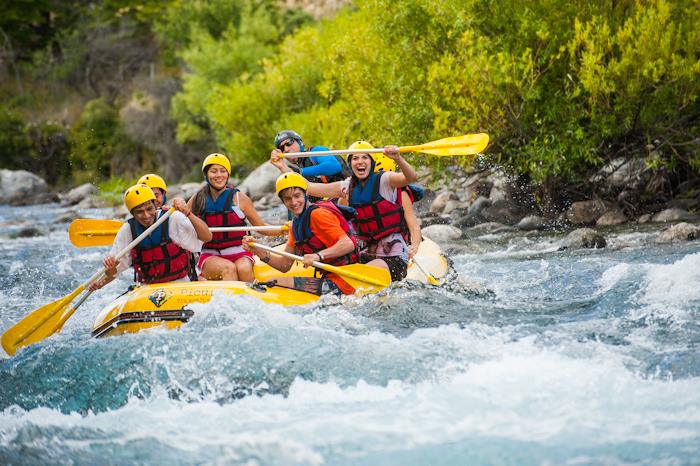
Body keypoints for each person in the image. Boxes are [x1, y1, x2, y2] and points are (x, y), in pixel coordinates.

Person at [270, 141, 418, 282]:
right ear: (350, 164)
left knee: (357, 276)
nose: (360, 161)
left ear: (372, 162)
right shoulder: (347, 186)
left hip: (392, 255)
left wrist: (398, 158)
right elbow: (307, 186)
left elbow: (411, 177)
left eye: (364, 157)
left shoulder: (385, 180)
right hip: (366, 253)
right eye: (355, 158)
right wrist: (282, 167)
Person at [243, 172, 359, 296]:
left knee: (273, 283)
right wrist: (258, 251)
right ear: (283, 201)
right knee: (272, 282)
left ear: (306, 194)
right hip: (330, 277)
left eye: (297, 196)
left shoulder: (318, 215)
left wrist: (318, 256)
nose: (294, 202)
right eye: (287, 199)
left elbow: (348, 244)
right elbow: (284, 265)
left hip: (349, 278)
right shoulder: (295, 225)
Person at [89, 184, 212, 290]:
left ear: (155, 204)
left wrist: (187, 213)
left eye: (149, 209)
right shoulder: (127, 230)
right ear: (132, 214)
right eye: (140, 212)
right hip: (146, 289)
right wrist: (102, 279)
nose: (146, 215)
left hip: (178, 285)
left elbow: (207, 237)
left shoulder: (172, 218)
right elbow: (113, 273)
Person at [187, 153, 278, 282]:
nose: (219, 175)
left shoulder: (240, 199)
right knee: (228, 268)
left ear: (228, 174)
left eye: (223, 171)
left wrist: (285, 230)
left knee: (244, 269)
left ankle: (250, 300)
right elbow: (180, 224)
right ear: (206, 175)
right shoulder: (198, 199)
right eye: (213, 171)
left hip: (239, 252)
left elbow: (261, 227)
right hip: (210, 254)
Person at [372, 153, 424, 259]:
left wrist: (414, 248)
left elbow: (414, 226)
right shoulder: (363, 191)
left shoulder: (402, 193)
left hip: (398, 243)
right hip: (375, 244)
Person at [271, 129, 350, 188]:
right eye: (282, 148)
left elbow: (334, 166)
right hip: (327, 204)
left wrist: (300, 172)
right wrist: (281, 166)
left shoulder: (316, 151)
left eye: (289, 143)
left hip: (346, 196)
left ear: (300, 143)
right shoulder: (300, 167)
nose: (286, 149)